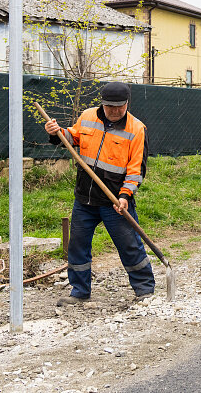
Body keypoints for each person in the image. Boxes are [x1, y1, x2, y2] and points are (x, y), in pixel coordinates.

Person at [44, 81, 154, 305]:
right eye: (109, 106)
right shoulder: (87, 116)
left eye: (119, 107)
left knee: (129, 244)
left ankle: (144, 290)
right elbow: (73, 137)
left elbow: (136, 171)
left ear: (127, 104)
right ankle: (79, 291)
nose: (114, 111)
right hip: (85, 198)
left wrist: (125, 196)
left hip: (115, 202)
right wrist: (57, 132)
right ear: (102, 103)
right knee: (77, 244)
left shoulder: (136, 129)